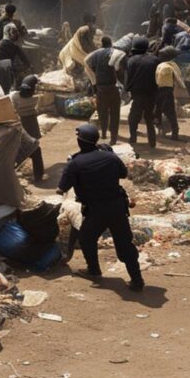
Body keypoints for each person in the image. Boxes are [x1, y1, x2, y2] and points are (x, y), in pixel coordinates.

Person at [57, 124, 143, 291]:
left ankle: (94, 270)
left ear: (79, 142)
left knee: (87, 238)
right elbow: (123, 174)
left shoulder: (75, 163)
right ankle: (137, 279)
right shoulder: (110, 157)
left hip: (96, 209)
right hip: (117, 206)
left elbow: (61, 189)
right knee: (125, 244)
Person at [85, 37, 123, 144]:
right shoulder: (113, 52)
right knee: (115, 113)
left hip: (100, 89)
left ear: (101, 44)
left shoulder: (95, 55)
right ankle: (114, 138)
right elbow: (119, 70)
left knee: (102, 112)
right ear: (110, 43)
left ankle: (104, 133)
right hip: (112, 88)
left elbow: (89, 66)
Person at [126, 37, 160, 148]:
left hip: (138, 94)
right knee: (149, 118)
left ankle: (133, 138)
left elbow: (128, 78)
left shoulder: (131, 61)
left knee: (133, 118)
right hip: (152, 94)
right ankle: (152, 142)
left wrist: (127, 90)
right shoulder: (155, 60)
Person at [11, 75, 44, 182]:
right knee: (35, 147)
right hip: (32, 122)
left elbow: (13, 109)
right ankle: (38, 175)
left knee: (22, 146)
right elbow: (39, 108)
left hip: (22, 121)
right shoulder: (36, 97)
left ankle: (16, 169)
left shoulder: (15, 96)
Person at [155, 46, 185, 141]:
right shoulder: (171, 66)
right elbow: (178, 80)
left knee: (158, 112)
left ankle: (159, 131)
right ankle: (175, 133)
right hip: (168, 92)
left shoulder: (161, 65)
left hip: (159, 91)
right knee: (170, 113)